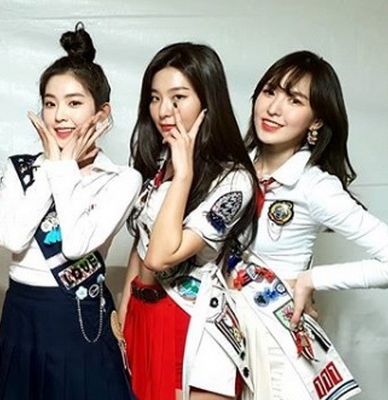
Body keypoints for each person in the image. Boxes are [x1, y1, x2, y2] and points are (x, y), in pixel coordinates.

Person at [229, 50, 388, 400]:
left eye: (294, 100)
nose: (274, 108)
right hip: (221, 333)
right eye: (270, 92)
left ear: (316, 121)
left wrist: (311, 280)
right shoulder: (231, 171)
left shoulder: (315, 186)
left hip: (276, 344)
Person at [0, 23, 140, 400]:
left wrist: (64, 166)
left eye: (74, 103)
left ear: (101, 113)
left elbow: (75, 246)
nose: (59, 116)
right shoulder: (21, 169)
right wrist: (53, 166)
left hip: (79, 318)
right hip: (22, 315)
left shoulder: (121, 179)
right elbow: (11, 238)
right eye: (50, 103)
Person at [119, 42, 258, 400]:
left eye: (178, 97)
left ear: (208, 101)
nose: (163, 110)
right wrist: (124, 310)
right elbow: (142, 242)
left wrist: (183, 175)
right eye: (154, 98)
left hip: (189, 317)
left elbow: (161, 256)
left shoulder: (234, 180)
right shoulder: (156, 161)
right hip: (141, 314)